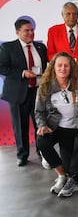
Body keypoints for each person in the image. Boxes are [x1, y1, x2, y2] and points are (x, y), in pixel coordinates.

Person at [35, 52, 78, 197]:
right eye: (59, 65)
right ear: (53, 67)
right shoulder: (45, 87)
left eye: (66, 65)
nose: (63, 68)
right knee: (42, 142)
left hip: (74, 130)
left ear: (71, 68)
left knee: (71, 167)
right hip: (55, 128)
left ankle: (70, 176)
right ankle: (61, 176)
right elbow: (39, 112)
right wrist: (42, 125)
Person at [0, 18, 47, 166]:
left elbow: (46, 67)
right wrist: (22, 73)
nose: (30, 33)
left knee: (40, 124)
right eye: (26, 30)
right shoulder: (7, 47)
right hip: (18, 93)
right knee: (20, 126)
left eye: (32, 29)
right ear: (17, 32)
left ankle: (43, 153)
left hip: (38, 92)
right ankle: (22, 155)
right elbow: (2, 67)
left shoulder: (40, 47)